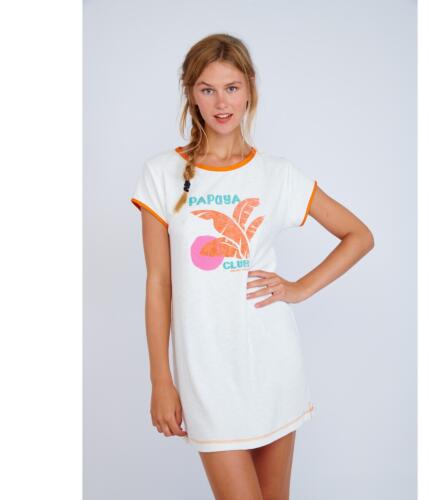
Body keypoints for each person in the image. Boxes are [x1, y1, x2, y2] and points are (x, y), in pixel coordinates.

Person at [130, 33, 374, 500]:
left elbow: (359, 235)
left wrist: (299, 288)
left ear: (250, 89)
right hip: (205, 374)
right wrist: (161, 379)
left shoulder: (277, 175)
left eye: (232, 88)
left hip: (272, 363)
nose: (221, 103)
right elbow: (158, 283)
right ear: (191, 93)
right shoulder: (161, 174)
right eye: (208, 89)